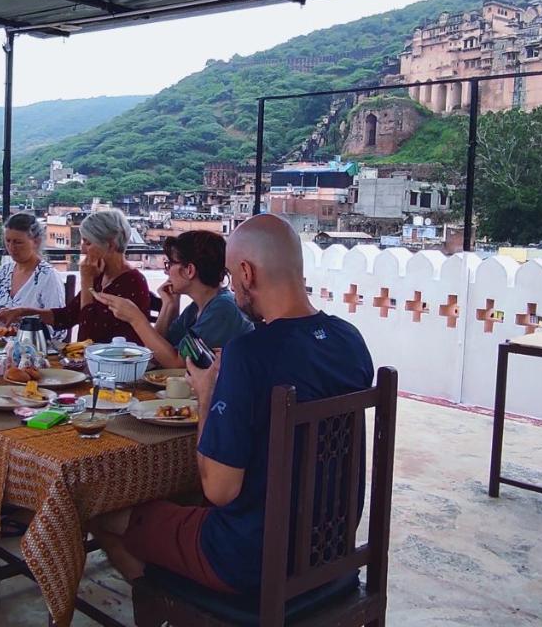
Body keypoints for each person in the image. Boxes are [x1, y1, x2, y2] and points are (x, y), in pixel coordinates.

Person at [94, 214, 374, 594]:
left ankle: (170, 608)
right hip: (328, 547)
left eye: (230, 274)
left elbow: (219, 490)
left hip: (247, 559)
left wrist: (208, 393)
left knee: (103, 512)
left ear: (246, 272)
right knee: (179, 502)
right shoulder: (351, 340)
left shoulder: (249, 354)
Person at [94, 230, 252, 368]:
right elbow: (159, 352)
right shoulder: (197, 308)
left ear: (189, 270)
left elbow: (176, 363)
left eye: (169, 265)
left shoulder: (222, 309)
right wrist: (169, 305)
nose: (166, 272)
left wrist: (135, 318)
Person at [0, 209, 149, 344]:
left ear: (111, 244)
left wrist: (87, 281)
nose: (83, 250)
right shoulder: (101, 276)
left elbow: (88, 338)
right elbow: (66, 317)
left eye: (88, 243)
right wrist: (20, 312)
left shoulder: (132, 282)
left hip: (113, 368)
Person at [0, 212, 66, 316]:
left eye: (18, 242)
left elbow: (57, 326)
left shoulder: (48, 277)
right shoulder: (4, 271)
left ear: (36, 242)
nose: (11, 247)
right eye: (8, 241)